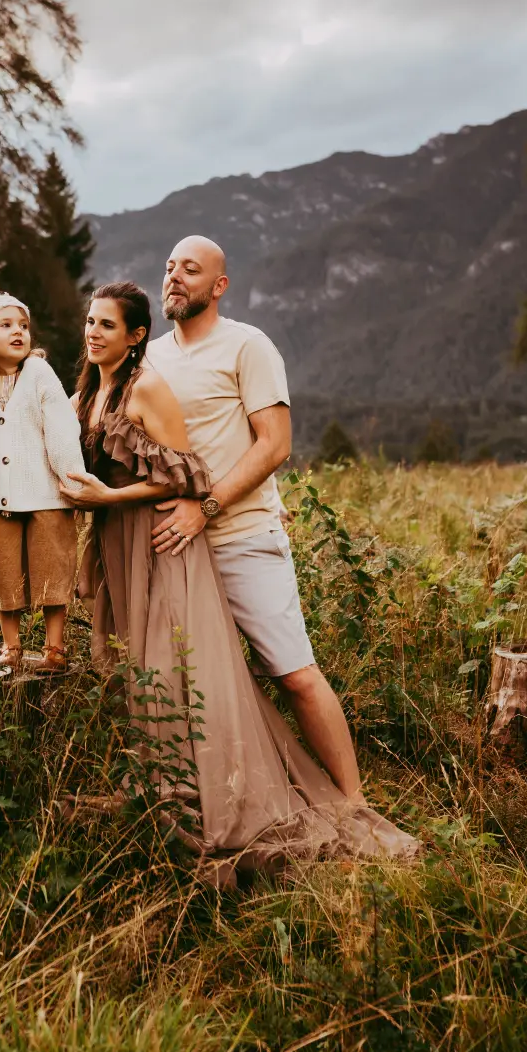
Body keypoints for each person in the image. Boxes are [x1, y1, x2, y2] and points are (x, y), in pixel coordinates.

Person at [64, 281, 416, 868]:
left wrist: (111, 499)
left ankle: (333, 803)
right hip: (119, 547)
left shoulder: (162, 379)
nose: (94, 332)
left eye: (107, 324)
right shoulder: (89, 395)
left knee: (245, 671)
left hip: (168, 542)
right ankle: (170, 788)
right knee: (149, 675)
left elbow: (190, 474)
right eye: (90, 322)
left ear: (135, 336)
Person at [147, 236, 363, 799]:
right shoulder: (150, 356)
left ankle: (355, 802)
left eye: (191, 270)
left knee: (293, 674)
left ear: (219, 286)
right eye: (170, 267)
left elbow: (274, 446)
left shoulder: (248, 346)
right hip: (177, 548)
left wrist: (207, 507)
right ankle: (232, 797)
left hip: (242, 536)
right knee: (204, 685)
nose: (175, 277)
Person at [0, 292, 84, 675]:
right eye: (6, 326)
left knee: (53, 565)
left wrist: (73, 481)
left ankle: (54, 647)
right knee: (6, 571)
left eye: (23, 326)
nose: (18, 332)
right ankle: (11, 645)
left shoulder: (38, 374)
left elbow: (62, 429)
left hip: (48, 492)